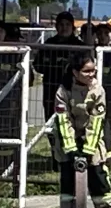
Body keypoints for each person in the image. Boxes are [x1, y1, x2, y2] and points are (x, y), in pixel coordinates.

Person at [52, 52, 111, 208]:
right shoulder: (63, 90)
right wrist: (71, 148)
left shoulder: (98, 90)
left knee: (97, 171)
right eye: (87, 71)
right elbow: (63, 120)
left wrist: (89, 149)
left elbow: (97, 121)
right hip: (68, 134)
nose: (92, 75)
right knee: (67, 171)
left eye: (93, 71)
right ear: (75, 72)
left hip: (92, 134)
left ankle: (107, 207)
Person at [33, 11, 85, 161]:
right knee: (51, 122)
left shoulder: (79, 46)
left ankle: (72, 153)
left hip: (72, 91)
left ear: (73, 27)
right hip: (50, 89)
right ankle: (55, 154)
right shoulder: (49, 44)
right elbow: (38, 66)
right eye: (61, 25)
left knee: (72, 121)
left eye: (67, 25)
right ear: (56, 27)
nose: (64, 28)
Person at [0, 20, 23, 174]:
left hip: (10, 100)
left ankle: (8, 165)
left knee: (10, 131)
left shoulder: (14, 54)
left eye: (0, 31)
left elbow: (29, 80)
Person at [94, 23, 111, 159]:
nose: (103, 36)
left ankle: (108, 148)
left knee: (109, 119)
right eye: (100, 34)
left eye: (106, 33)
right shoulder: (92, 51)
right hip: (94, 91)